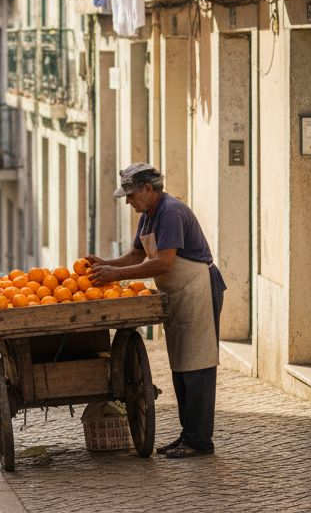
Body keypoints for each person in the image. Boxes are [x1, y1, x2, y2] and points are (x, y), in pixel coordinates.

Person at [88, 163, 226, 459]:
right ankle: (188, 435)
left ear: (148, 190)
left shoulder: (171, 212)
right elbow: (137, 254)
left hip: (198, 289)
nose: (128, 202)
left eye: (131, 195)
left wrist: (115, 275)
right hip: (177, 294)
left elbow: (163, 263)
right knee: (181, 367)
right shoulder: (148, 215)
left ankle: (200, 441)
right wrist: (107, 264)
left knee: (198, 368)